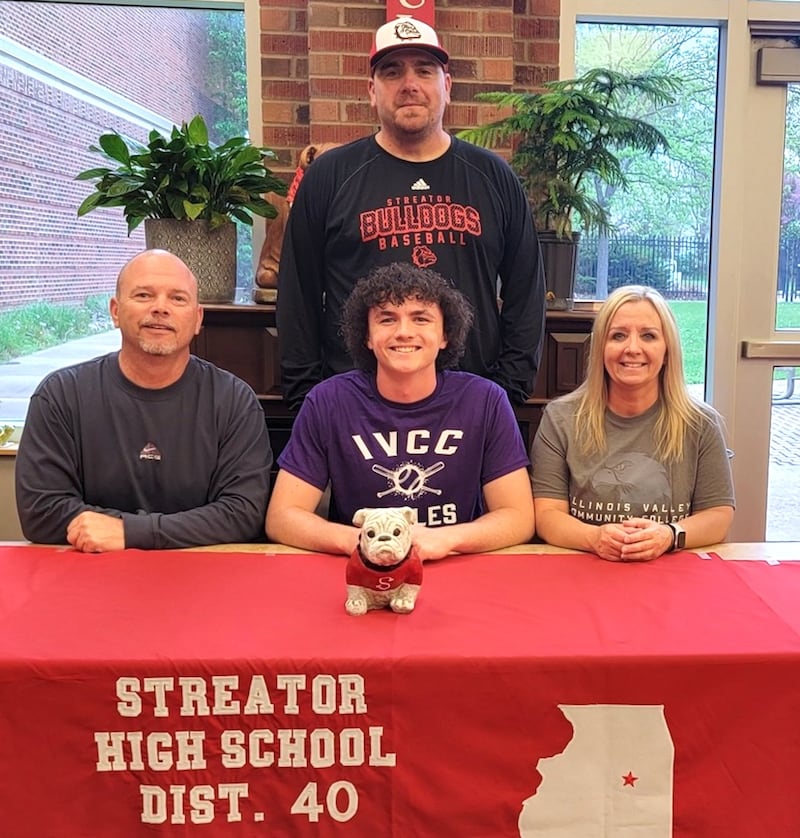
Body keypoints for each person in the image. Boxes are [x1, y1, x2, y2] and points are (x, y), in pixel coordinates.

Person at [276, 15, 546, 413]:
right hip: (357, 406)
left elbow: (527, 291)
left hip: (470, 404)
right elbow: (297, 295)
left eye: (424, 70)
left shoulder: (492, 176)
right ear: (372, 90)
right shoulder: (329, 177)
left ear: (446, 86)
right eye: (392, 72)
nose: (409, 84)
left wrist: (505, 395)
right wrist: (308, 402)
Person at [266, 262, 535, 560]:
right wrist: (368, 541)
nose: (404, 332)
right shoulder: (328, 401)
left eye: (420, 319)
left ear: (445, 335)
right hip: (361, 570)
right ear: (366, 336)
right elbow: (282, 517)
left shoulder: (485, 401)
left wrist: (444, 540)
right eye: (387, 320)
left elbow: (518, 517)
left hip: (454, 562)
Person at [15, 249, 273, 552]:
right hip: (90, 577)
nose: (160, 308)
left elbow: (244, 513)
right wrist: (163, 530)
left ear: (197, 319)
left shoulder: (234, 402)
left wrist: (129, 532)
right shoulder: (60, 396)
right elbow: (42, 512)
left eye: (177, 298)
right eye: (143, 295)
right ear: (115, 310)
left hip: (199, 578)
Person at [531, 284, 735, 562]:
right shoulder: (560, 419)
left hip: (672, 576)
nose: (632, 348)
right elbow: (546, 515)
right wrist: (594, 538)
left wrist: (668, 535)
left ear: (667, 350)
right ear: (601, 347)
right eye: (618, 336)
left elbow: (719, 515)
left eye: (649, 336)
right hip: (587, 570)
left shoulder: (701, 422)